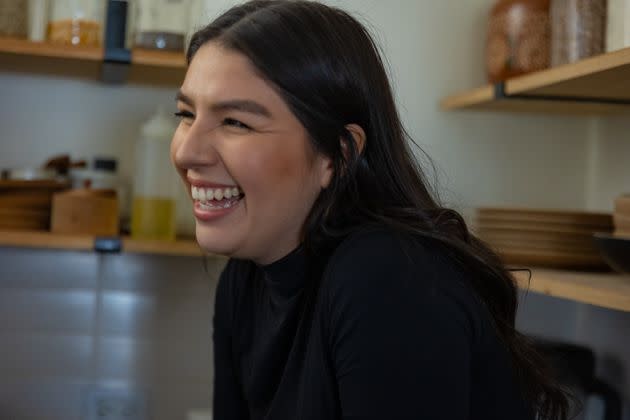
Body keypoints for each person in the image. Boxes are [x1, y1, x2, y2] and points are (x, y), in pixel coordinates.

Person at [170, 1, 569, 419]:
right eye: (186, 114)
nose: (187, 151)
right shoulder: (244, 280)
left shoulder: (388, 280)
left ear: (337, 155)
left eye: (235, 122)